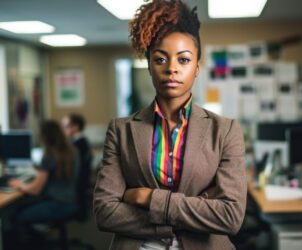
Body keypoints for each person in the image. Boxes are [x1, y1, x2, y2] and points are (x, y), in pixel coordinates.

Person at [93, 1, 247, 250]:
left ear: (197, 67)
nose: (172, 69)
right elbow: (105, 212)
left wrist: (147, 198)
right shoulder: (120, 130)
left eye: (183, 60)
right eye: (161, 59)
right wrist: (194, 211)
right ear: (150, 67)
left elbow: (230, 217)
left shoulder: (225, 131)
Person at [8, 120, 79, 238]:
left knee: (17, 216)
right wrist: (42, 169)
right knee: (22, 205)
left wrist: (19, 184)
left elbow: (35, 190)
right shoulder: (73, 151)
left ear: (45, 138)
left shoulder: (49, 156)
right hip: (71, 199)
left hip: (57, 204)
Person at [61, 113, 93, 198]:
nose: (63, 129)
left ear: (76, 127)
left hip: (77, 185)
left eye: (66, 126)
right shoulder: (82, 141)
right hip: (81, 183)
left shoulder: (77, 145)